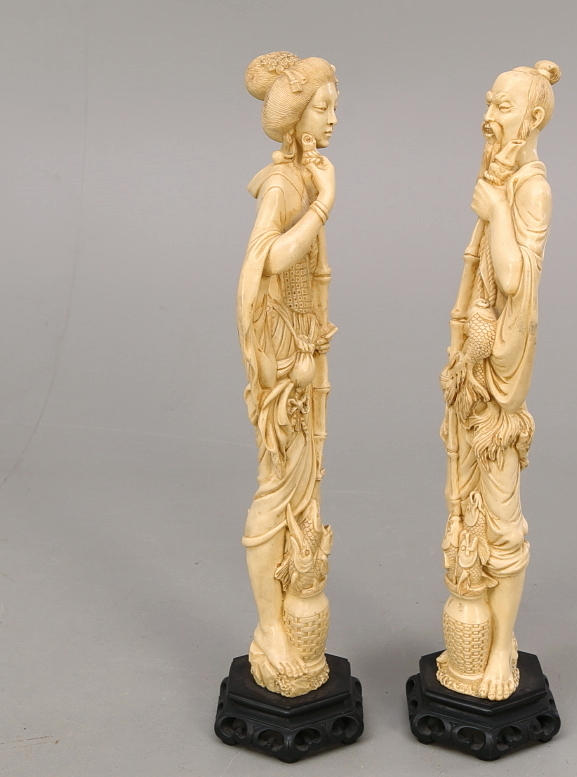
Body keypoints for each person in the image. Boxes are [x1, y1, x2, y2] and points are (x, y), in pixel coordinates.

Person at [439, 60, 561, 701]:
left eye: (502, 107)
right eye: (489, 104)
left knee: (503, 520)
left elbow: (516, 281)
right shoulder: (502, 176)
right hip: (474, 369)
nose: (489, 117)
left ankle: (500, 647)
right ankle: (475, 633)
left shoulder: (531, 188)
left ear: (533, 118)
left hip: (500, 379)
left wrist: (494, 209)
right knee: (469, 508)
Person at [236, 52, 338, 695]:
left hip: (303, 345)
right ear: (297, 116)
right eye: (323, 108)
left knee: (298, 485)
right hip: (282, 354)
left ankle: (290, 620)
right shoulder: (284, 185)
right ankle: (271, 629)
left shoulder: (303, 172)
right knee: (276, 489)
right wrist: (323, 205)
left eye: (333, 108)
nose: (332, 119)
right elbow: (267, 259)